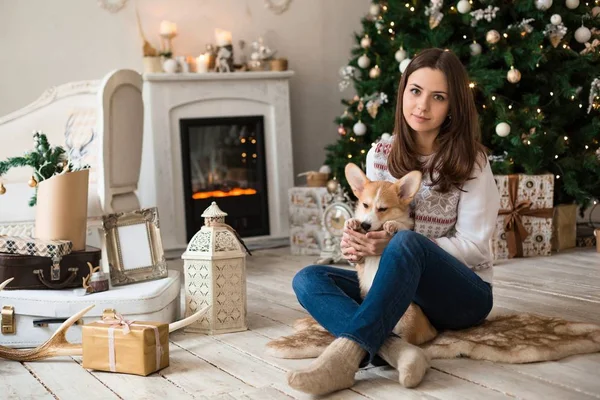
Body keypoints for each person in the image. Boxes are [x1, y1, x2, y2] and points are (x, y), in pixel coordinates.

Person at [287, 48, 501, 395]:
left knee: (405, 240)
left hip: (462, 296)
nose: (422, 106)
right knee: (309, 279)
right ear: (403, 93)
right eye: (415, 91)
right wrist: (358, 246)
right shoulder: (380, 156)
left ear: (453, 107)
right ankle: (396, 349)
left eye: (438, 97)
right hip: (399, 293)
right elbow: (373, 226)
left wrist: (402, 246)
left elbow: (475, 248)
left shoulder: (471, 162)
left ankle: (346, 357)